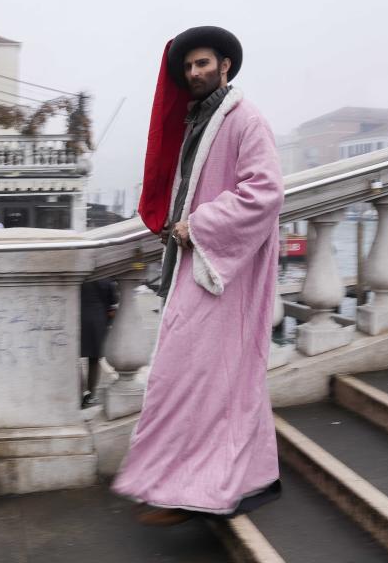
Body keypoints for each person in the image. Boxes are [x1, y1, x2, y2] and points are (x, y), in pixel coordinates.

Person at [112, 26, 285, 525]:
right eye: (188, 66)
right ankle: (240, 480)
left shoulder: (245, 119)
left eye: (203, 63)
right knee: (221, 375)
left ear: (225, 65)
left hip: (222, 266)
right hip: (202, 259)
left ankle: (187, 489)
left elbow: (266, 190)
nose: (194, 72)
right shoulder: (198, 120)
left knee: (186, 374)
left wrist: (199, 225)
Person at [80, 279, 118, 407]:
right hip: (98, 322)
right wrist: (108, 325)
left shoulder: (80, 277)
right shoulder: (107, 280)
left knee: (73, 361)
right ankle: (90, 395)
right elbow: (112, 308)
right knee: (94, 360)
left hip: (76, 320)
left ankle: (78, 392)